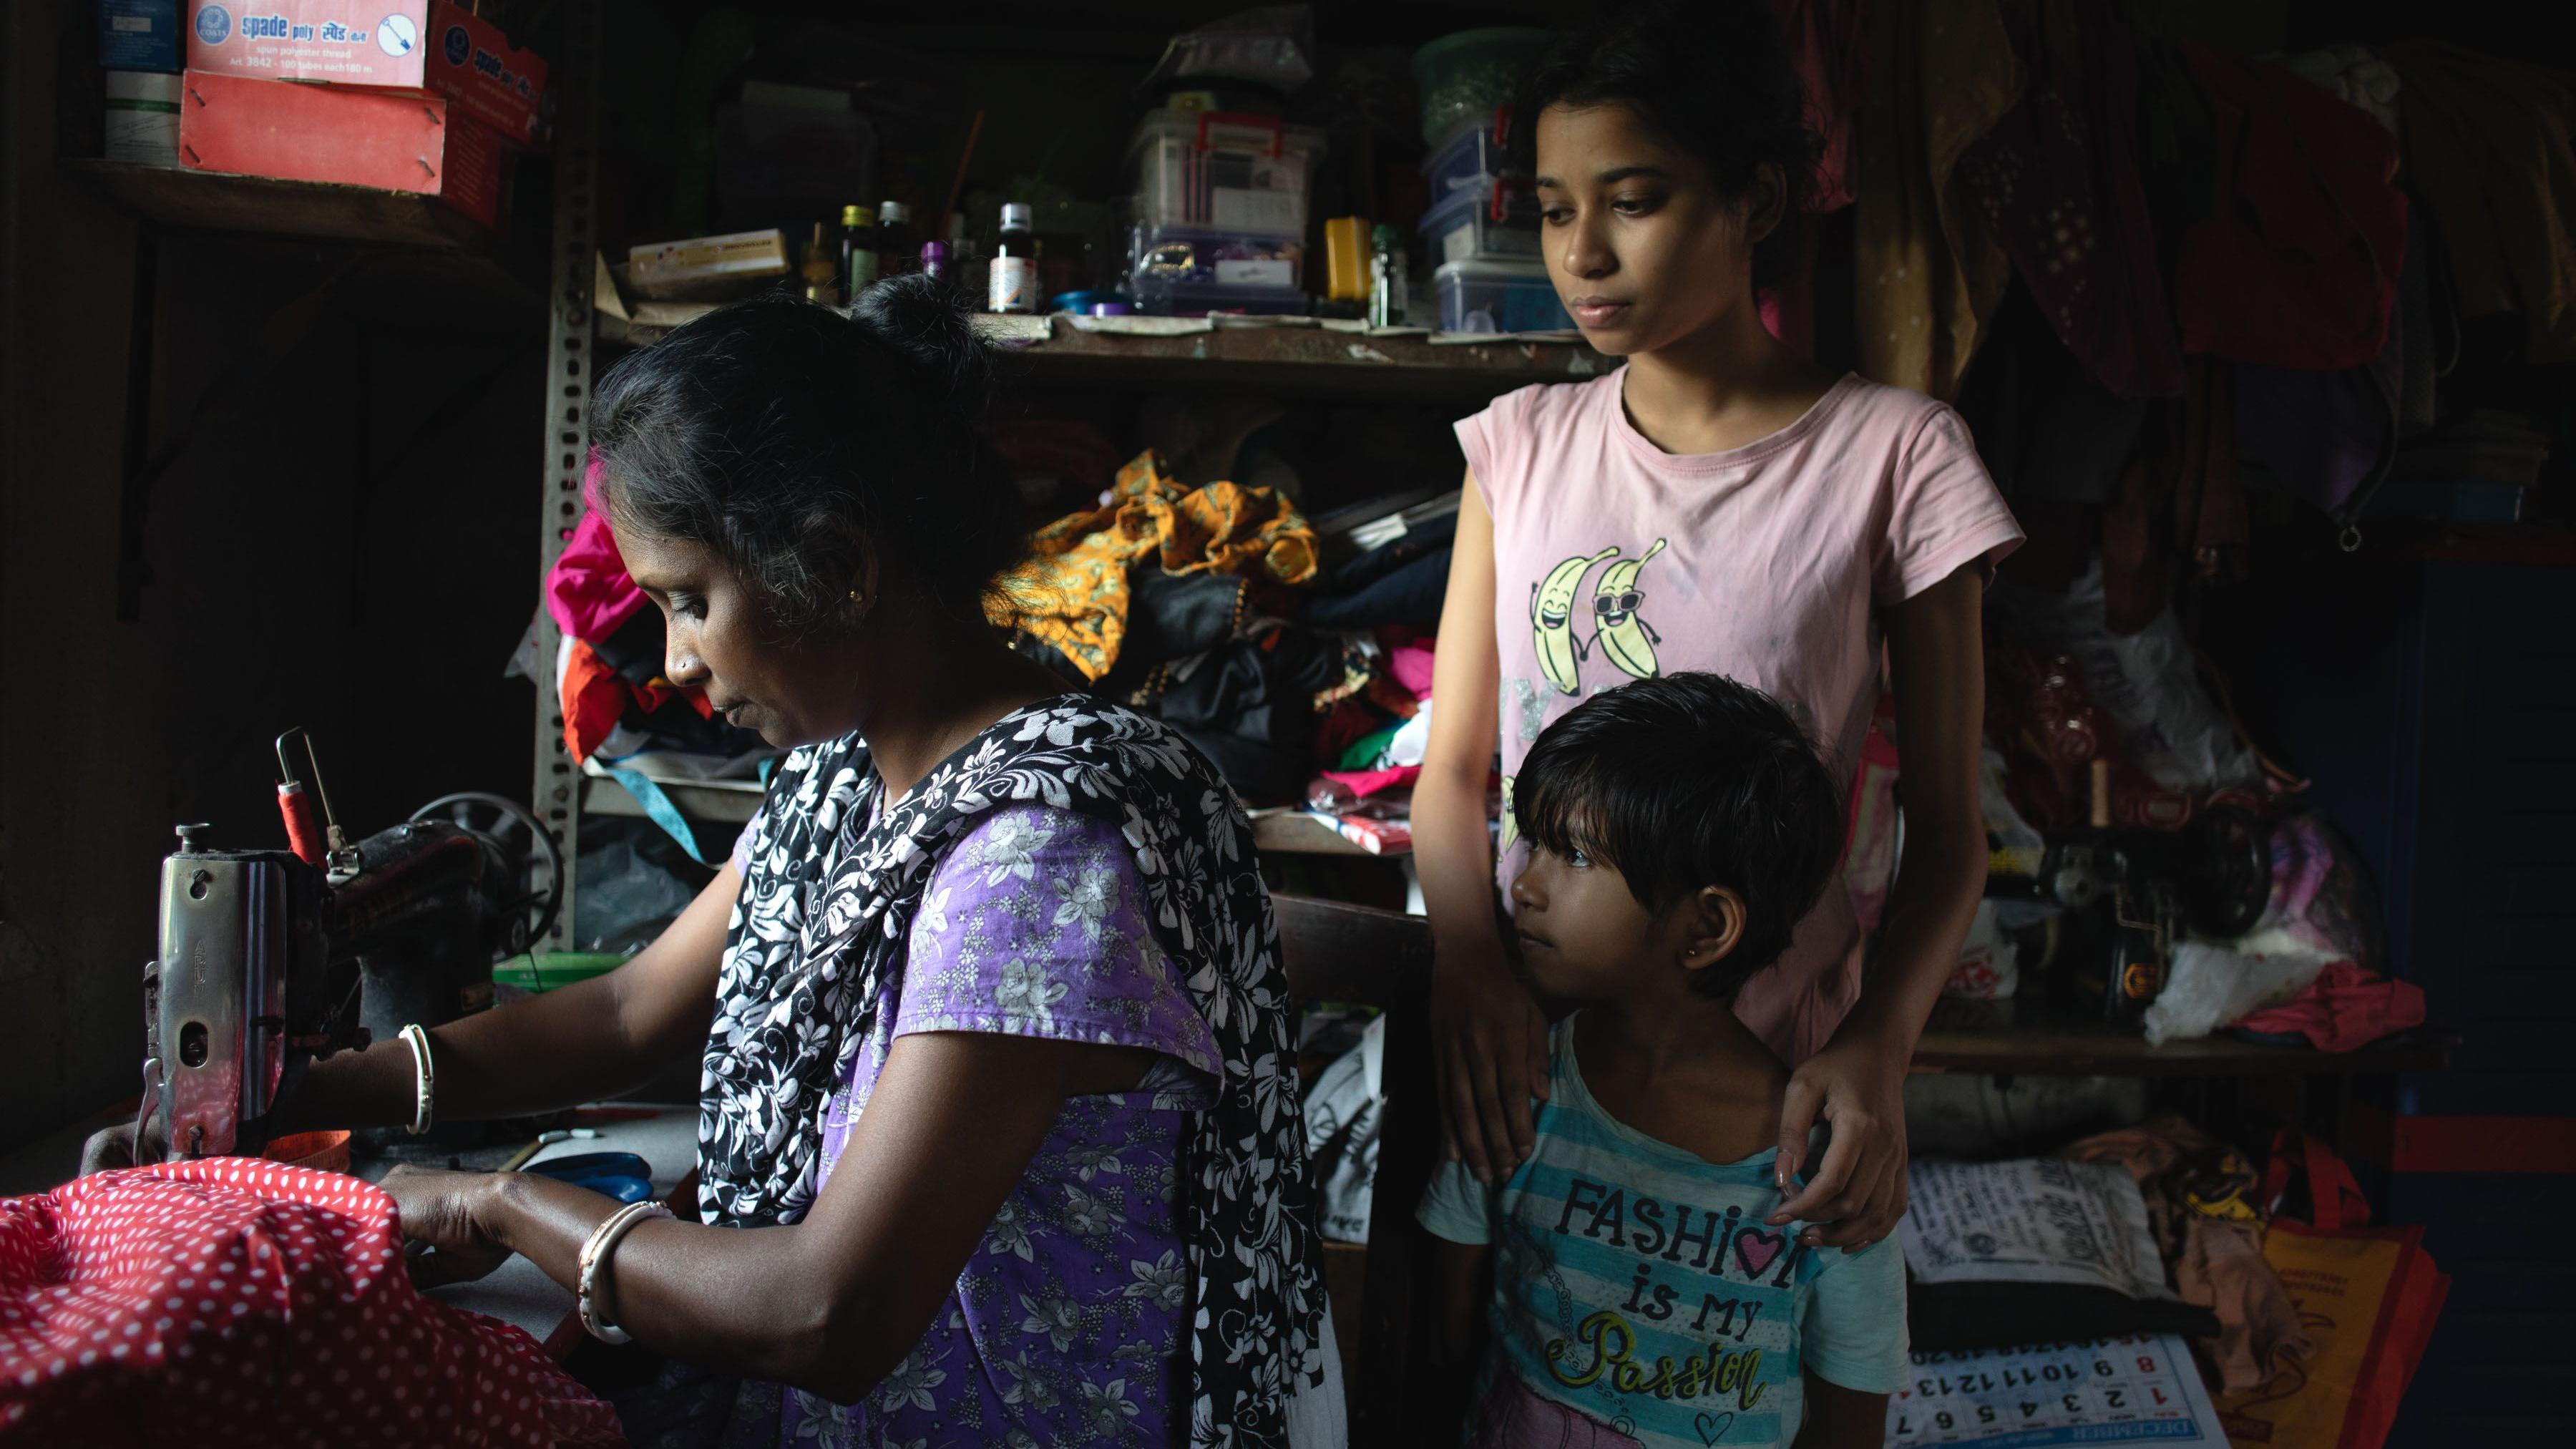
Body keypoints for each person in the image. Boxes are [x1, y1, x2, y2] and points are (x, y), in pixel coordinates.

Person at [85, 277, 1339, 1449]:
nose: (674, 661)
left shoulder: (1043, 847)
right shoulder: (847, 777)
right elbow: (637, 1009)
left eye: (689, 599)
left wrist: (505, 1206)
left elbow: (825, 1314)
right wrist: (285, 1100)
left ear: (841, 568)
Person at [1414, 0, 2024, 1249]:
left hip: (1774, 1094)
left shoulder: (1897, 458)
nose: (1583, 254)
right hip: (1538, 1076)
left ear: (1754, 203)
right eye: (1554, 207)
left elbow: (1952, 834)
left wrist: (1874, 1052)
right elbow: (1455, 774)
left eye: (1633, 201)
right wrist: (1471, 969)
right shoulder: (1519, 448)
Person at [1418, 674, 1905, 1449]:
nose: (1524, 883)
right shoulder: (1519, 1083)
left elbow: (1851, 1412)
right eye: (1531, 841)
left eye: (1573, 854)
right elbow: (1446, 1337)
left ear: (1706, 925)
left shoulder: (1827, 1166)